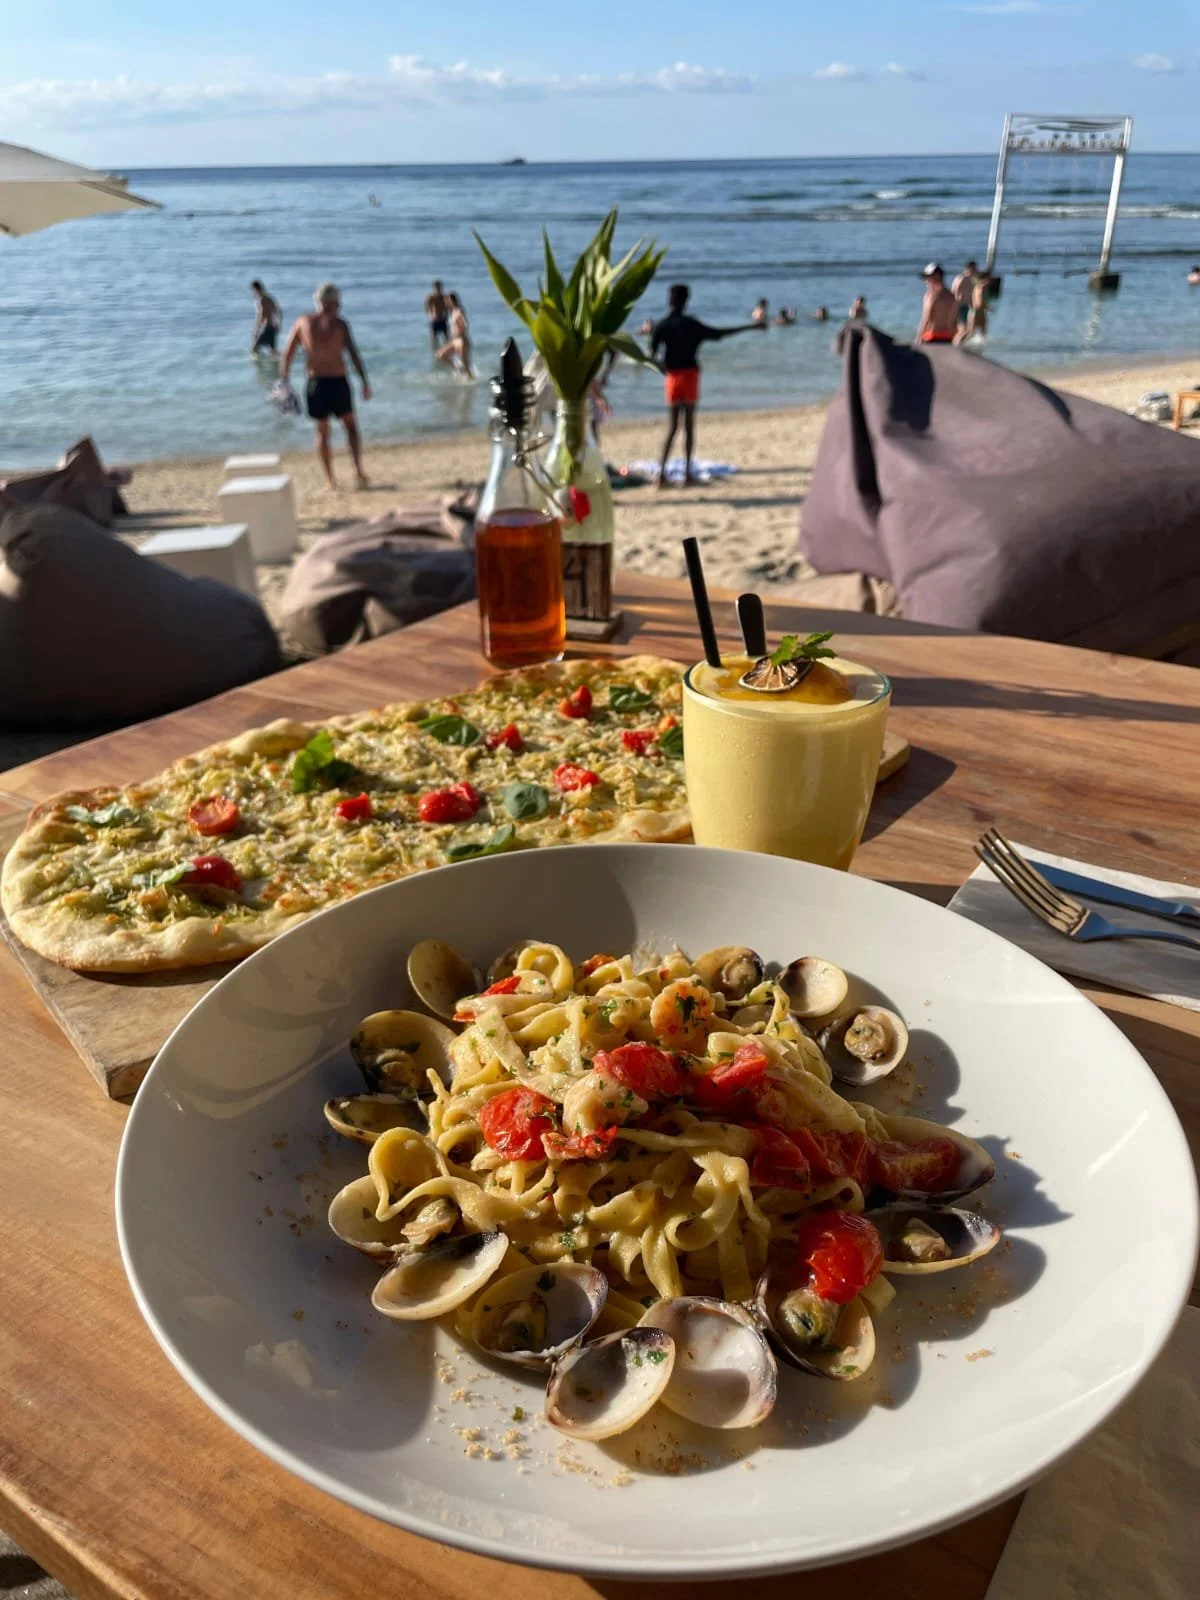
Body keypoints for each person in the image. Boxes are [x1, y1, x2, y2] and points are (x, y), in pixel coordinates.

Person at [649, 283, 766, 487]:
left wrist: (663, 367)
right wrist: (751, 327)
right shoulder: (691, 324)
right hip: (690, 376)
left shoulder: (662, 325)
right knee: (689, 426)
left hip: (673, 378)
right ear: (686, 301)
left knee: (672, 427)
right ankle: (687, 474)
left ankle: (661, 476)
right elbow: (720, 334)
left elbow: (651, 355)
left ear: (669, 301)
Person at [280, 282, 371, 491]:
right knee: (349, 428)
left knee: (324, 431)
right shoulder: (340, 324)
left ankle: (332, 480)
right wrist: (364, 381)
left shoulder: (303, 322)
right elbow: (353, 354)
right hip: (337, 382)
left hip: (316, 383)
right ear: (332, 302)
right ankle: (355, 470)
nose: (339, 307)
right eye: (337, 303)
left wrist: (284, 381)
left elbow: (288, 354)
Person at [434, 292, 474, 379]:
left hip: (462, 341)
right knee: (440, 355)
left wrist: (461, 327)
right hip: (455, 341)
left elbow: (465, 323)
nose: (445, 303)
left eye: (447, 301)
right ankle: (458, 368)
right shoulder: (452, 311)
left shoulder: (459, 310)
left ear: (452, 301)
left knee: (467, 367)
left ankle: (471, 383)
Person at [916, 263, 957, 344]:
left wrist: (918, 338)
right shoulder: (951, 296)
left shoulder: (930, 295)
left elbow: (926, 318)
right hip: (948, 337)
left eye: (927, 277)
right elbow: (953, 321)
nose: (925, 281)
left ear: (936, 276)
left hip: (931, 336)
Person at [956, 272, 992, 344]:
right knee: (970, 332)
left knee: (983, 332)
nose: (990, 280)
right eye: (989, 279)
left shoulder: (980, 287)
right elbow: (979, 303)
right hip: (975, 313)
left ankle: (980, 348)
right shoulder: (981, 288)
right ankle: (956, 343)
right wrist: (988, 308)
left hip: (981, 313)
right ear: (985, 279)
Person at [249, 280, 281, 357]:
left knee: (254, 349)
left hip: (266, 328)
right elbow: (278, 312)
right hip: (273, 327)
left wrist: (256, 329)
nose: (253, 293)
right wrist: (279, 325)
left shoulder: (261, 300)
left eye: (253, 290)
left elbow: (261, 316)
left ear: (256, 289)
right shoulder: (269, 298)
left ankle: (260, 367)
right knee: (273, 353)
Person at [951, 260, 980, 333]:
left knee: (971, 325)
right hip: (961, 305)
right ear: (968, 268)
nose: (975, 270)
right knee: (962, 325)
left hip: (971, 305)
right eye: (973, 268)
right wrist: (955, 304)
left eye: (975, 268)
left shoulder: (975, 279)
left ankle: (965, 339)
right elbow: (954, 291)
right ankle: (957, 340)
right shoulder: (962, 278)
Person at [425, 280, 452, 350]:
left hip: (443, 320)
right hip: (435, 321)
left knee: (447, 339)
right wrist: (430, 315)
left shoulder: (445, 297)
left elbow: (449, 308)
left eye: (439, 287)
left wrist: (447, 316)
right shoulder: (430, 297)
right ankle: (435, 354)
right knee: (434, 341)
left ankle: (447, 353)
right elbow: (426, 308)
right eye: (437, 287)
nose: (438, 289)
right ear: (434, 288)